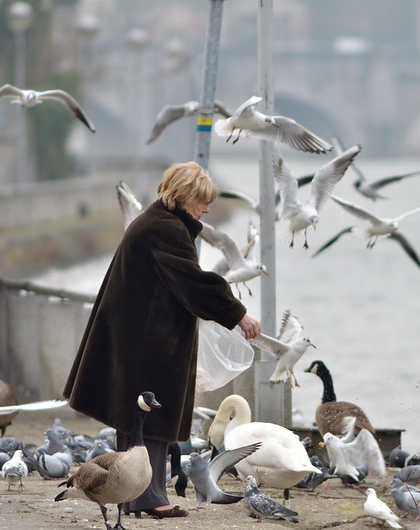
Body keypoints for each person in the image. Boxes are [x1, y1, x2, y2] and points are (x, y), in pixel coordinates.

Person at [63, 161, 260, 519]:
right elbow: (192, 281)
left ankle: (138, 495)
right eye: (202, 200)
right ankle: (148, 497)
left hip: (136, 335)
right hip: (148, 340)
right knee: (150, 416)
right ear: (184, 197)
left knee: (139, 418)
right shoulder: (166, 229)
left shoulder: (158, 222)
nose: (208, 208)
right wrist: (237, 314)